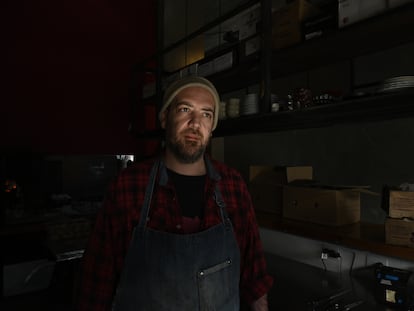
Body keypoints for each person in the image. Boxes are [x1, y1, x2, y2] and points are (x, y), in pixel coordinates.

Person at [76, 76, 273, 310]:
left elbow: (255, 276)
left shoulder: (233, 185)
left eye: (206, 114)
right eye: (185, 109)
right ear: (164, 117)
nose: (195, 123)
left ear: (212, 128)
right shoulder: (128, 186)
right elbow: (96, 285)